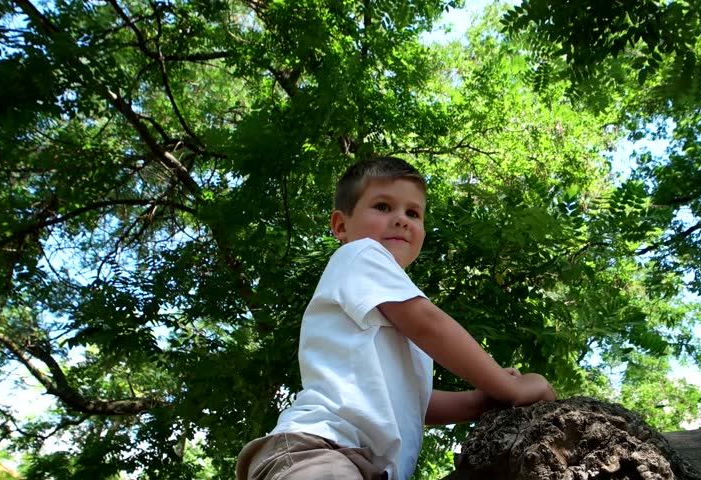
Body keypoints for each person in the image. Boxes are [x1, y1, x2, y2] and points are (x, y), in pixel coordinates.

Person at [236, 156, 557, 480]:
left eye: (413, 213)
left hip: (362, 464)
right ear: (341, 225)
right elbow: (428, 324)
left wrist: (481, 400)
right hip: (320, 449)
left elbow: (414, 403)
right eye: (383, 207)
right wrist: (508, 388)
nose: (401, 220)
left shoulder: (382, 307)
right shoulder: (361, 254)